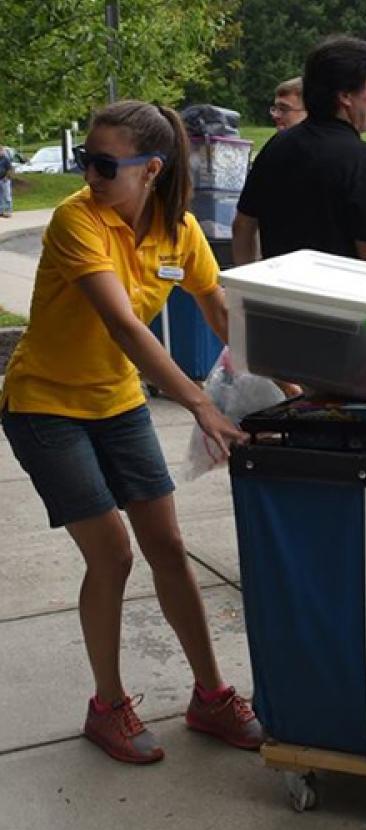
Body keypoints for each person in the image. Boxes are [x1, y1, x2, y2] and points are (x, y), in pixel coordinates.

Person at [0, 100, 265, 766]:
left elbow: (221, 315)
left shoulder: (180, 235)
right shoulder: (75, 221)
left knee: (168, 543)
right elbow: (124, 325)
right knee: (114, 553)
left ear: (150, 170)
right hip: (45, 405)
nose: (88, 174)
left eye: (103, 164)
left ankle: (210, 695)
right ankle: (107, 704)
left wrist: (284, 383)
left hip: (116, 401)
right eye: (85, 160)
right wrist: (199, 403)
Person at [232, 35, 366, 269]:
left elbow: (243, 226)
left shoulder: (276, 147)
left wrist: (249, 282)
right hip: (335, 301)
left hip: (276, 298)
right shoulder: (363, 161)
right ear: (345, 96)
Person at [0, 143, 13, 218]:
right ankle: (1, 211)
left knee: (7, 196)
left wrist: (7, 177)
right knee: (0, 196)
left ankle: (8, 211)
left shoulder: (6, 159)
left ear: (2, 151)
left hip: (5, 180)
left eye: (0, 150)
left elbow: (10, 169)